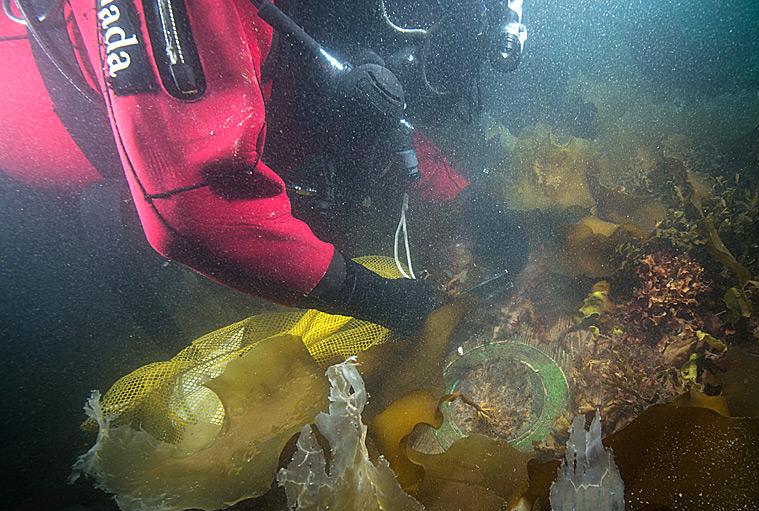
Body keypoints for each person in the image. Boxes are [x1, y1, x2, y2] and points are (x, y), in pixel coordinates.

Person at [0, 0, 529, 336]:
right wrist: (375, 298)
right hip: (53, 132)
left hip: (222, 94)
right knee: (128, 230)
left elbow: (356, 105)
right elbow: (193, 213)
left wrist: (463, 197)